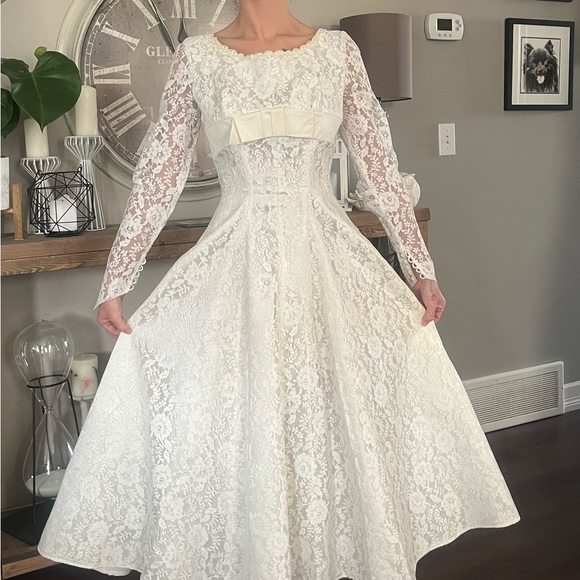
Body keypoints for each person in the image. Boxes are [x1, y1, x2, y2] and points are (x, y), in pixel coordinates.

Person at [38, 0, 521, 578]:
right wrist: (117, 279)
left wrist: (421, 267)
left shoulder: (338, 53)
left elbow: (379, 168)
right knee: (245, 415)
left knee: (334, 411)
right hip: (235, 264)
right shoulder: (198, 59)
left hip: (325, 263)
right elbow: (159, 174)